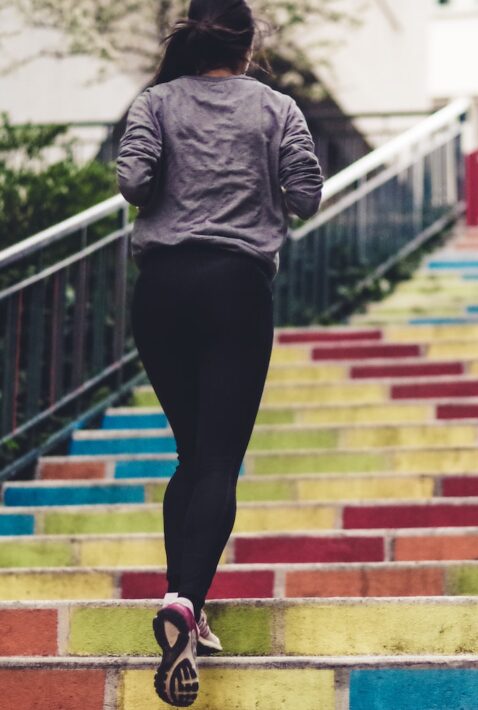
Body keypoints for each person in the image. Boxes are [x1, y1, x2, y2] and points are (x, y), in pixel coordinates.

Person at [116, 0, 324, 704]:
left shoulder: (155, 103)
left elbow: (133, 184)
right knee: (218, 463)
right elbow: (305, 196)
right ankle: (182, 601)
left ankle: (188, 603)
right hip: (235, 288)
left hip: (162, 290)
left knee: (190, 454)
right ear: (248, 43)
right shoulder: (277, 109)